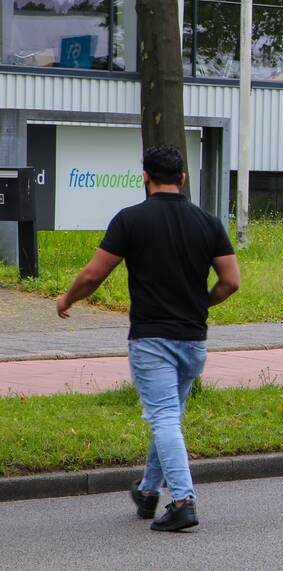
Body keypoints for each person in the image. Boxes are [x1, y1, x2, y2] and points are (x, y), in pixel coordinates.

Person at [56, 145, 240, 531]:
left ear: (145, 176)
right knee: (168, 416)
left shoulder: (131, 220)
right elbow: (231, 281)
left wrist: (67, 298)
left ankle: (184, 501)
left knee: (164, 418)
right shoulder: (208, 223)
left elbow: (93, 275)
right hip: (193, 340)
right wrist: (202, 304)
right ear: (183, 178)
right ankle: (147, 491)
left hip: (152, 339)